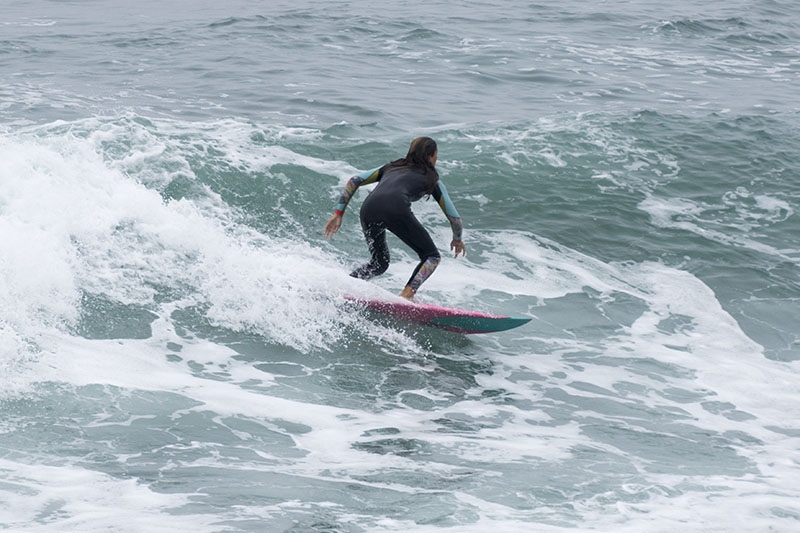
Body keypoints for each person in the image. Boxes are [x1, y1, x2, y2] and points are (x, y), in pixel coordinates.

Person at [324, 137, 465, 301]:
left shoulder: (392, 167)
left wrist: (338, 213)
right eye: (436, 155)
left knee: (379, 263)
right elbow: (455, 218)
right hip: (395, 208)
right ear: (430, 156)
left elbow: (355, 180)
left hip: (369, 208)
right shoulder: (432, 179)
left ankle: (344, 287)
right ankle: (407, 294)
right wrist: (457, 239)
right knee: (432, 256)